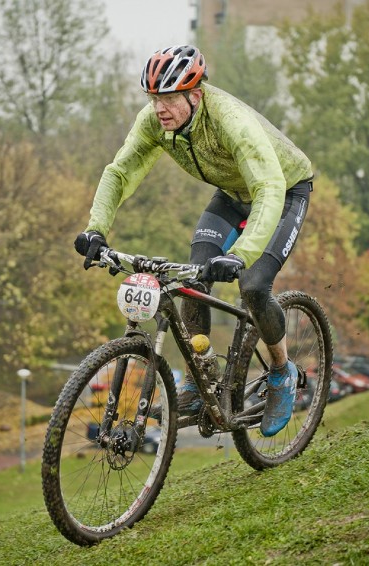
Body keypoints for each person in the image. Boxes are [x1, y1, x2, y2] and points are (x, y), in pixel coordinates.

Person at [74, 45, 313, 437]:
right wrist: (96, 228)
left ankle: (281, 372)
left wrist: (240, 254)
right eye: (153, 99)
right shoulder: (155, 122)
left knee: (252, 286)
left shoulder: (230, 120)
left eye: (168, 98)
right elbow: (120, 172)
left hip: (282, 191)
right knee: (191, 278)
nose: (159, 108)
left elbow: (268, 186)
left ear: (195, 95)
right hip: (232, 193)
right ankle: (199, 380)